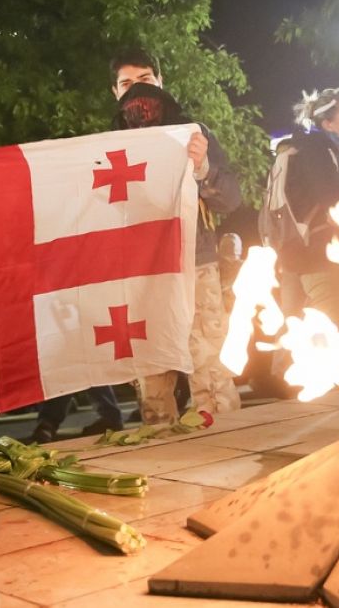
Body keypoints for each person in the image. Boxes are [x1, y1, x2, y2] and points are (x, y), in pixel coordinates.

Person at [109, 48, 243, 424]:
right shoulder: (105, 146)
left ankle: (228, 449)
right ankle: (163, 462)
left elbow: (231, 199)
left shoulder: (193, 133)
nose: (138, 91)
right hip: (139, 275)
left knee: (210, 372)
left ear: (161, 82)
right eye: (127, 83)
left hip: (194, 266)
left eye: (145, 80)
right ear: (115, 92)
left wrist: (202, 167)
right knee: (153, 383)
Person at [281, 87, 339, 331]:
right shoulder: (317, 150)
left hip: (329, 260)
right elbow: (333, 199)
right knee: (334, 342)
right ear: (329, 124)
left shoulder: (337, 154)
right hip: (326, 262)